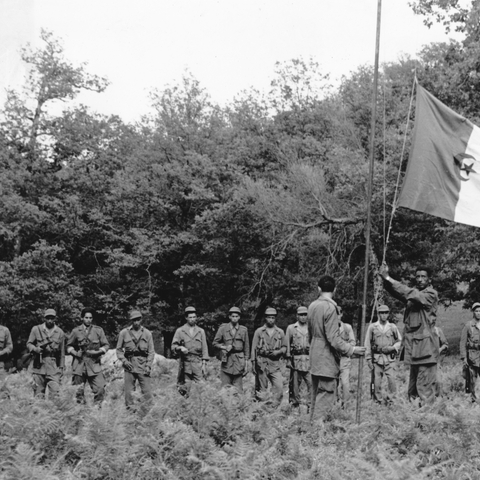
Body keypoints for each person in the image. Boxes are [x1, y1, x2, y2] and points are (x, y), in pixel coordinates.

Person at [308, 276, 365, 422]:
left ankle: (311, 428)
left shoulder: (312, 306)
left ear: (318, 289)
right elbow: (333, 338)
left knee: (315, 394)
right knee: (326, 393)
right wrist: (351, 350)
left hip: (315, 355)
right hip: (326, 357)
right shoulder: (330, 308)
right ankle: (317, 432)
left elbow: (310, 333)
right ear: (335, 289)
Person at [379, 264, 439, 405]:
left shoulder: (430, 295)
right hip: (415, 353)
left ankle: (427, 422)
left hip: (426, 352)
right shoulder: (414, 297)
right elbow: (400, 294)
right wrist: (385, 281)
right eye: (417, 277)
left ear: (429, 280)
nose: (419, 279)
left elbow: (410, 293)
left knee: (424, 391)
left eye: (423, 277)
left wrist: (389, 278)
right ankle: (416, 423)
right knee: (412, 391)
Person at [67, 308, 109, 404]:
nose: (88, 320)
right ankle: (82, 413)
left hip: (94, 365)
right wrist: (75, 353)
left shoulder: (98, 330)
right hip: (79, 365)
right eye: (86, 317)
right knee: (78, 392)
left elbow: (106, 345)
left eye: (90, 318)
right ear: (82, 318)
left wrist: (98, 352)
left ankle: (96, 410)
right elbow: (68, 346)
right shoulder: (76, 331)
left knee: (100, 388)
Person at [116, 310, 155, 411]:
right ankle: (130, 416)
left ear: (141, 320)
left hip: (143, 366)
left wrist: (148, 365)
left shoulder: (147, 334)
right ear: (131, 321)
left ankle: (148, 416)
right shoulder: (124, 333)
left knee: (147, 393)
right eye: (134, 320)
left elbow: (151, 352)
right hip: (129, 366)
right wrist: (124, 361)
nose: (136, 322)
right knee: (129, 394)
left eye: (138, 320)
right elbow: (119, 350)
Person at [365, 304, 402, 404]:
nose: (384, 315)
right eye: (382, 313)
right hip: (376, 358)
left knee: (392, 380)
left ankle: (391, 400)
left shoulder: (392, 327)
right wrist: (368, 358)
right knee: (375, 382)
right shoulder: (373, 327)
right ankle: (376, 400)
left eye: (386, 313)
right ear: (378, 314)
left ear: (388, 314)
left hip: (389, 358)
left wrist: (392, 348)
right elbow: (367, 343)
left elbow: (400, 341)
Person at [251, 307, 287, 407]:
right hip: (262, 363)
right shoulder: (259, 331)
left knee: (279, 388)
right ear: (265, 318)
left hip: (275, 364)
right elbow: (253, 348)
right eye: (268, 317)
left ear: (275, 319)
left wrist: (278, 352)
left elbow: (285, 347)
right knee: (262, 389)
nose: (271, 319)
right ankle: (261, 410)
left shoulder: (280, 332)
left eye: (273, 317)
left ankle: (274, 408)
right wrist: (253, 363)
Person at [26, 308, 65, 397]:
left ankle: (52, 410)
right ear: (44, 318)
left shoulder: (60, 332)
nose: (50, 320)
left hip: (53, 365)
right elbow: (29, 344)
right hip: (39, 364)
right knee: (39, 394)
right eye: (48, 318)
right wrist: (35, 349)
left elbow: (62, 353)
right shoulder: (36, 329)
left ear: (55, 319)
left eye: (52, 318)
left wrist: (61, 368)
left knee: (55, 393)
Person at [171, 306, 209, 396]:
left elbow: (204, 348)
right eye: (190, 317)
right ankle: (185, 406)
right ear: (186, 318)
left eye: (194, 317)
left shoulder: (201, 331)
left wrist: (204, 364)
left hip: (198, 363)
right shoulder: (180, 331)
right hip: (186, 363)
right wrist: (180, 348)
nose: (192, 319)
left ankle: (201, 406)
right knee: (184, 388)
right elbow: (173, 346)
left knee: (201, 388)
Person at [212, 306, 250, 391]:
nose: (235, 318)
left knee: (238, 390)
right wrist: (224, 347)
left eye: (236, 316)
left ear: (239, 317)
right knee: (225, 389)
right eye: (233, 316)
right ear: (229, 317)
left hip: (239, 362)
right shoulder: (223, 329)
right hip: (227, 361)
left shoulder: (244, 330)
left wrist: (246, 364)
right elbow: (215, 343)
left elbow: (246, 348)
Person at [286, 306, 311, 409]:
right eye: (301, 315)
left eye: (305, 315)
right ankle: (294, 406)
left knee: (312, 384)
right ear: (297, 316)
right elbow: (287, 343)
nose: (303, 317)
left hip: (309, 360)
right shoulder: (291, 328)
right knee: (295, 385)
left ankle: (311, 405)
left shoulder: (311, 328)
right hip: (296, 360)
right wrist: (288, 359)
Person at [460, 302, 480, 402]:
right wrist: (464, 358)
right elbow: (462, 342)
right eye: (476, 311)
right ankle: (473, 399)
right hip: (472, 356)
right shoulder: (469, 325)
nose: (479, 313)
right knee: (472, 379)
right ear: (473, 312)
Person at [337, 307, 356, 406]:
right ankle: (334, 404)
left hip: (344, 359)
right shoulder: (329, 328)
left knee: (345, 383)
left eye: (338, 314)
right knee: (333, 384)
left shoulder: (347, 328)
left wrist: (344, 347)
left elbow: (352, 342)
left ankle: (345, 404)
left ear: (341, 315)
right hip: (332, 360)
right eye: (334, 314)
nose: (337, 316)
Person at [433, 320, 448, 397]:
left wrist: (440, 349)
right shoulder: (422, 331)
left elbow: (445, 344)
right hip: (424, 360)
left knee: (438, 380)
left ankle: (439, 399)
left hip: (436, 360)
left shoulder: (438, 330)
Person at [0, 321, 13, 398]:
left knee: (4, 389)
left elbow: (9, 346)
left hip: (0, 364)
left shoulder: (4, 330)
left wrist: (1, 353)